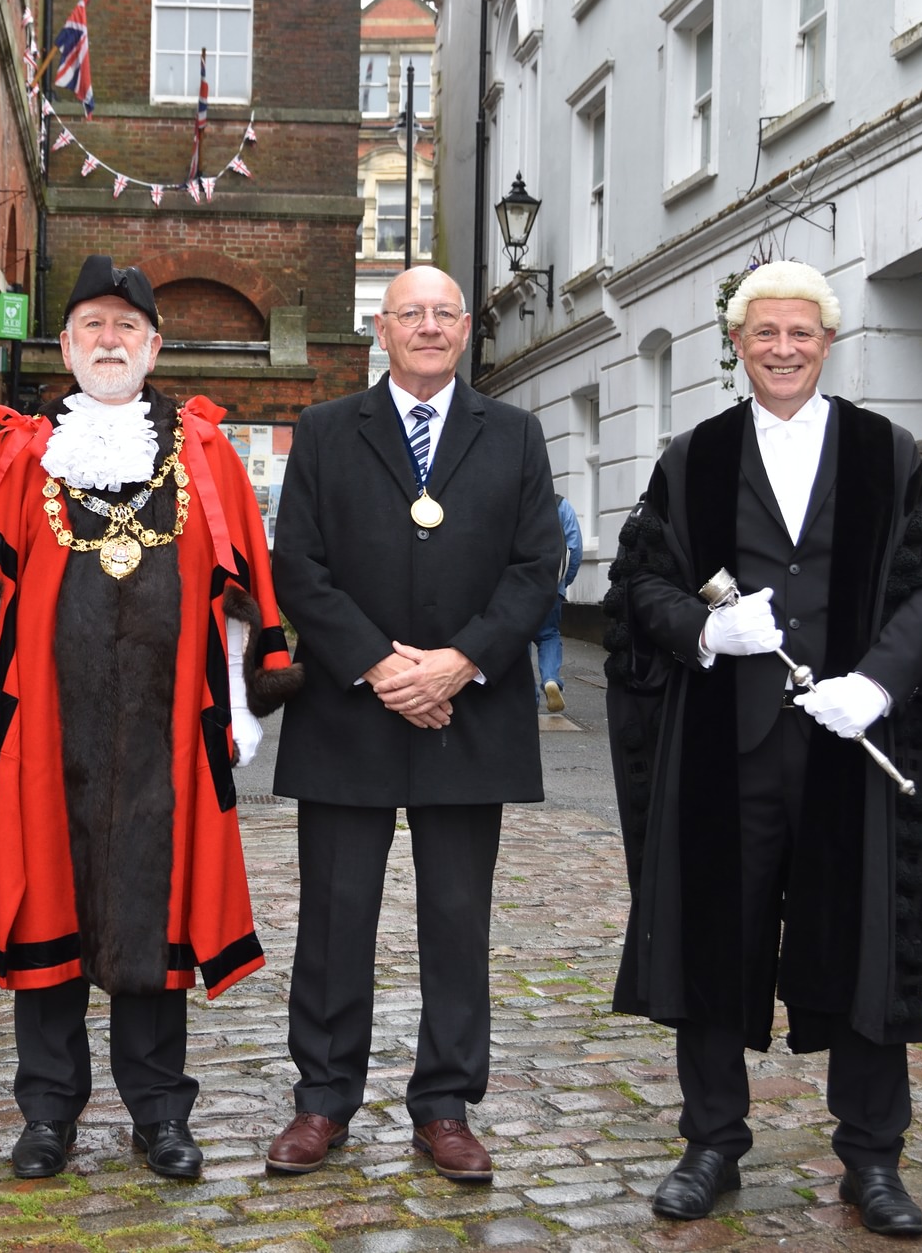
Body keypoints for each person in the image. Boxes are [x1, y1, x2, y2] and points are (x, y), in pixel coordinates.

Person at [600, 262, 922, 1236]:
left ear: (826, 341)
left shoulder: (885, 453)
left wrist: (877, 683)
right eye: (762, 332)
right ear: (737, 342)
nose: (780, 349)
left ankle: (870, 1157)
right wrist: (701, 630)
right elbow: (638, 586)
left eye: (798, 334)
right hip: (723, 742)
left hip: (846, 741)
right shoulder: (693, 458)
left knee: (863, 941)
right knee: (712, 937)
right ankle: (712, 1142)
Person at [0, 254, 300, 1182]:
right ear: (66, 347)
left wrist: (239, 707)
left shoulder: (204, 450)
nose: (110, 342)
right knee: (45, 917)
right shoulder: (25, 451)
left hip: (166, 728)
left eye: (126, 329)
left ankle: (158, 1111)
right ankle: (48, 1113)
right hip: (43, 728)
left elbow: (234, 580)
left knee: (159, 915)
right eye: (92, 327)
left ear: (154, 347)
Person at [267, 265, 566, 1183]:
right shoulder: (325, 430)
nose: (429, 327)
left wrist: (458, 661)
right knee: (334, 913)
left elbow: (536, 563)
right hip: (351, 709)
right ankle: (322, 1097)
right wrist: (383, 664)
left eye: (444, 314)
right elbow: (299, 564)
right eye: (412, 314)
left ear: (466, 328)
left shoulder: (513, 433)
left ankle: (445, 1103)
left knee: (456, 915)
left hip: (468, 711)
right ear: (382, 330)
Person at [533, 493, 585, 712]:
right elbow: (575, 548)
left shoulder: (519, 500)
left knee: (518, 640)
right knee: (549, 635)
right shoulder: (561, 505)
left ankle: (528, 694)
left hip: (519, 586)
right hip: (553, 586)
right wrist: (563, 583)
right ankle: (551, 679)